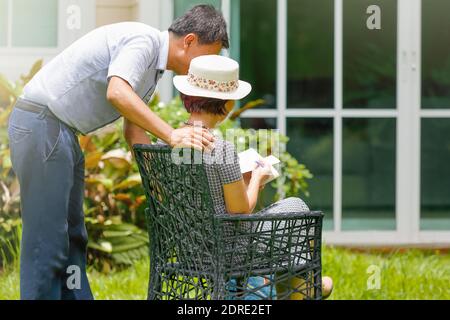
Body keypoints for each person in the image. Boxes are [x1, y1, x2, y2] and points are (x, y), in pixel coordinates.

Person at [8, 5, 228, 300]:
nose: (207, 67)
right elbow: (117, 92)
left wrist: (158, 184)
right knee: (47, 240)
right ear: (188, 41)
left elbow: (133, 130)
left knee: (74, 236)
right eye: (208, 57)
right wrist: (172, 134)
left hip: (62, 133)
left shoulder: (154, 69)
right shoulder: (143, 41)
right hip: (42, 125)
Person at [172, 54, 334, 299]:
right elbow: (240, 211)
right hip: (229, 248)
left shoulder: (167, 144)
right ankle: (302, 290)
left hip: (188, 247)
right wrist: (256, 177)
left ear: (187, 98)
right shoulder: (220, 148)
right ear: (226, 105)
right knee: (296, 207)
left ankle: (299, 289)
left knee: (288, 215)